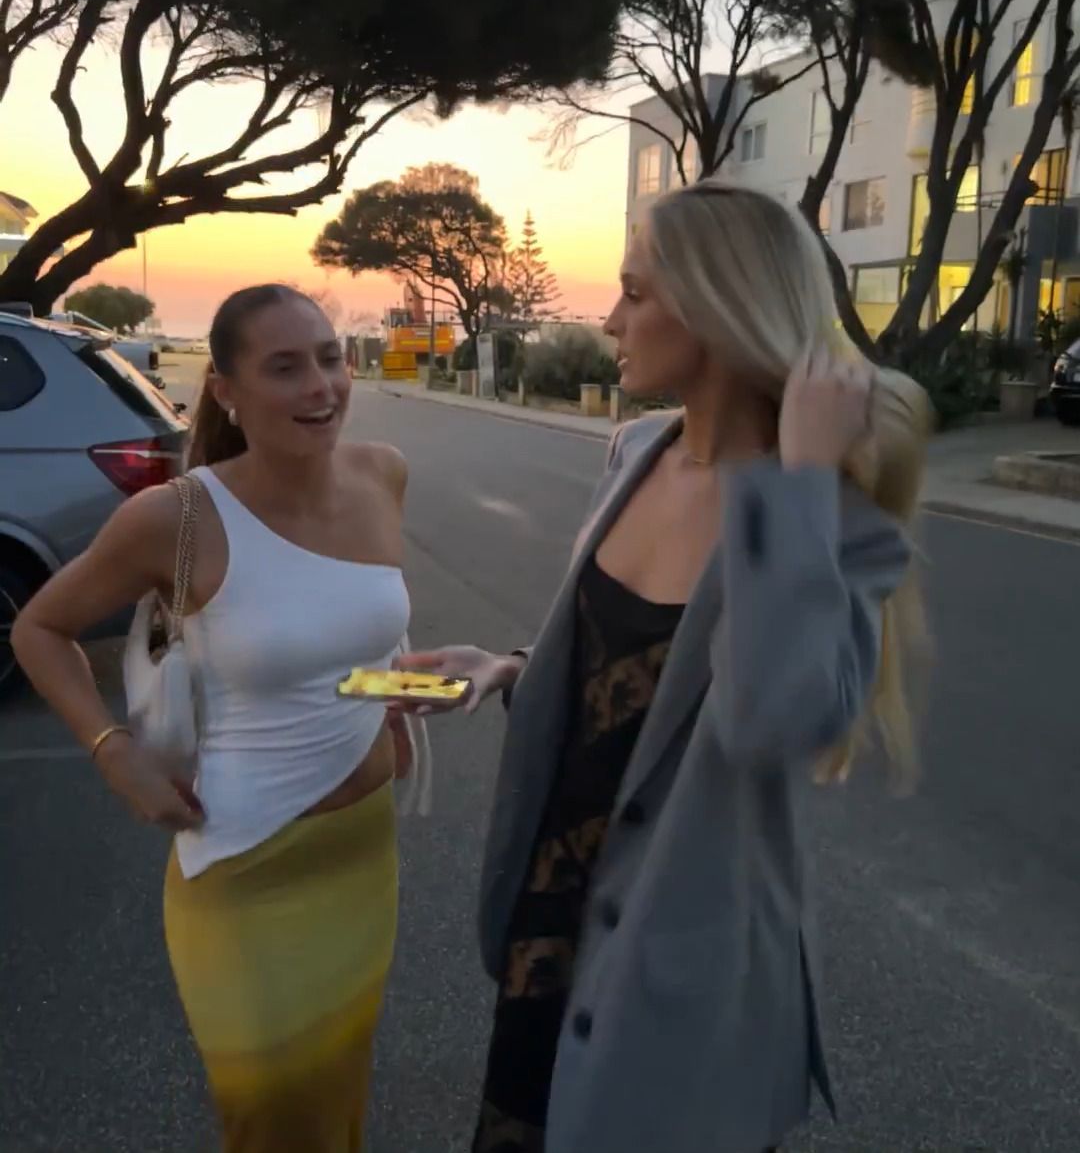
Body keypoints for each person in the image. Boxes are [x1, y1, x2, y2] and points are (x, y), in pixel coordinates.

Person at [396, 179, 931, 1153]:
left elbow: (776, 718)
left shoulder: (828, 513)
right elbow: (644, 666)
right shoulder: (637, 449)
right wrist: (516, 668)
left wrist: (799, 483)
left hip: (687, 968)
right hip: (552, 923)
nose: (609, 320)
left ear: (721, 309)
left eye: (635, 293)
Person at [13, 284, 412, 1153]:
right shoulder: (176, 517)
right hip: (243, 870)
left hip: (361, 854)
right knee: (271, 1121)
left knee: (338, 1094)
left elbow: (343, 650)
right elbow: (38, 628)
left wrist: (420, 684)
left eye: (330, 358)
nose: (322, 386)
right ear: (225, 390)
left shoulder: (383, 473)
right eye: (285, 368)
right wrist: (113, 750)